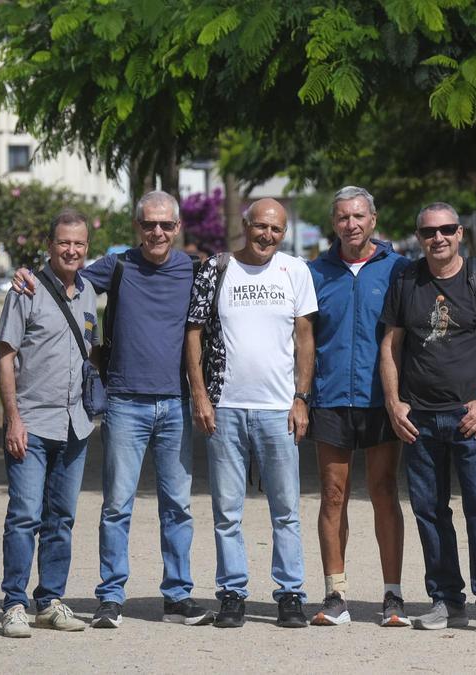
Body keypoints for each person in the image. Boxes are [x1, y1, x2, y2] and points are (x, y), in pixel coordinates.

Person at [13, 191, 213, 629]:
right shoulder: (118, 266)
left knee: (177, 505)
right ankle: (111, 596)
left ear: (177, 228)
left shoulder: (195, 269)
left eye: (164, 225)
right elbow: (63, 276)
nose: (156, 232)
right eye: (148, 224)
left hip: (176, 402)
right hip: (124, 402)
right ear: (136, 227)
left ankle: (177, 596)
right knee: (117, 505)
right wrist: (26, 272)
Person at [379, 202, 476, 636]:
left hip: (470, 416)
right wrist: (393, 403)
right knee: (429, 511)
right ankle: (445, 600)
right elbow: (390, 346)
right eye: (428, 232)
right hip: (419, 418)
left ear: (460, 233)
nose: (437, 238)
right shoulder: (406, 279)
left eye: (446, 230)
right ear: (419, 238)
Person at [185, 198, 318, 629]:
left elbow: (305, 339)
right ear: (245, 225)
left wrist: (301, 398)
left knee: (286, 509)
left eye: (276, 230)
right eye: (261, 227)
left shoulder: (295, 270)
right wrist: (201, 397)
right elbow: (193, 335)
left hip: (277, 409)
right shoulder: (216, 269)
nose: (267, 236)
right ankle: (232, 594)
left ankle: (290, 594)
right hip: (225, 407)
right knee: (227, 510)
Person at [306, 186, 412, 627]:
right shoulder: (314, 272)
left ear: (373, 219)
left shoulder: (400, 270)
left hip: (382, 400)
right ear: (334, 223)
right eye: (343, 218)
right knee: (332, 495)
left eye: (359, 216)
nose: (351, 225)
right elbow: (303, 337)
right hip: (330, 397)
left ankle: (393, 595)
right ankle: (336, 595)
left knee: (385, 491)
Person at [0, 209, 97, 638]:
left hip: (76, 425)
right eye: (63, 243)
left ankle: (49, 599)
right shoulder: (27, 289)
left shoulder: (90, 291)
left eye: (79, 243)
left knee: (62, 518)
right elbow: (4, 355)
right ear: (50, 245)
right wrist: (12, 419)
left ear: (86, 248)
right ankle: (13, 603)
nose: (71, 250)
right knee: (23, 516)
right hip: (32, 423)